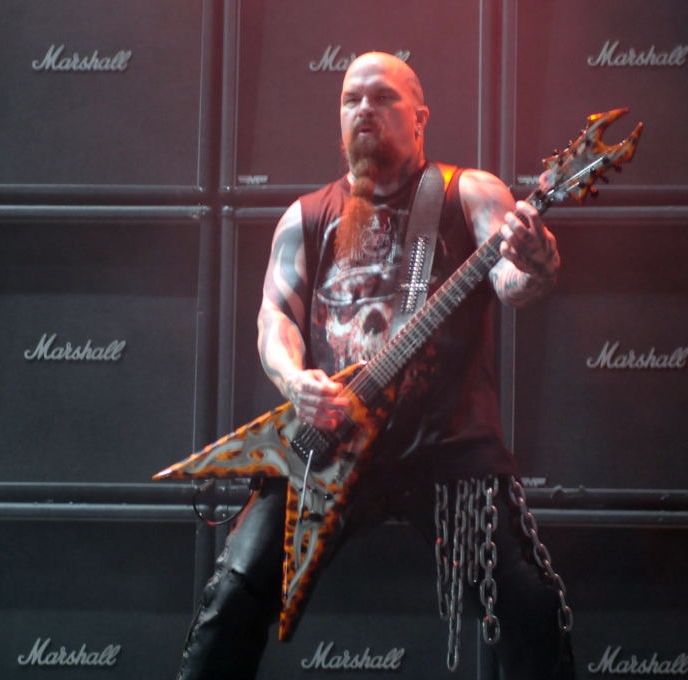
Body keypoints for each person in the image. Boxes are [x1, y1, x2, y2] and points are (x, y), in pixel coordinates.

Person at [175, 51, 574, 679]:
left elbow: (513, 285)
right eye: (351, 100)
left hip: (444, 450)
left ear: (420, 118)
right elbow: (274, 318)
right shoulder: (306, 216)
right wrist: (295, 381)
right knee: (232, 594)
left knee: (527, 607)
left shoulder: (469, 192)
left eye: (383, 97)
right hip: (330, 445)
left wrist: (538, 258)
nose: (364, 109)